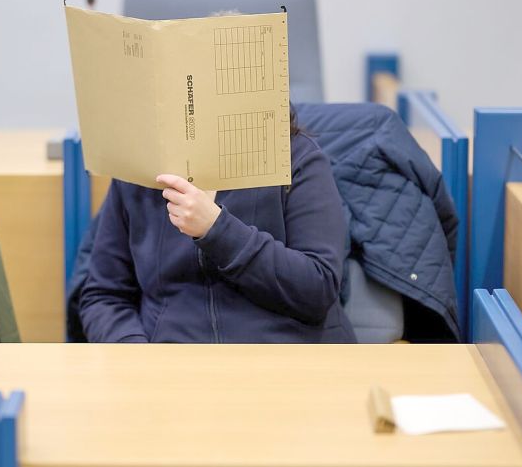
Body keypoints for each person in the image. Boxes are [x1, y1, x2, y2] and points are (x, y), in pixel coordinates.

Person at [79, 110, 355, 343]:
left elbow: (318, 288)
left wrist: (217, 230)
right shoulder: (138, 171)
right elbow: (104, 296)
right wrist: (138, 355)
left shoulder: (296, 156)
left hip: (285, 362)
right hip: (175, 373)